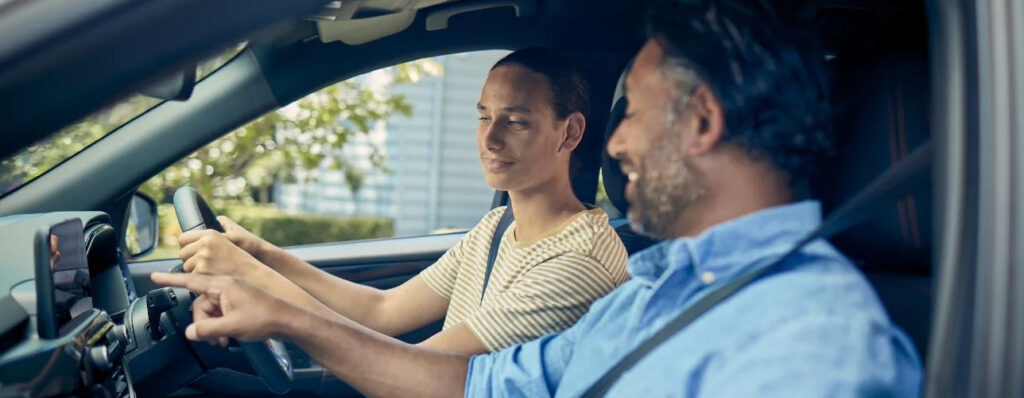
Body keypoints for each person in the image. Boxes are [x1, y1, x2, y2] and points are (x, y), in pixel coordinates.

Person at [152, 0, 923, 396]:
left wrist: (278, 304)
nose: (616, 147)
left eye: (634, 116)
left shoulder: (813, 340)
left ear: (702, 120)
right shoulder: (658, 294)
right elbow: (472, 384)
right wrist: (274, 294)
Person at [173, 48, 630, 355]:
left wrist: (248, 277)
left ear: (569, 132)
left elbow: (406, 367)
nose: (488, 138)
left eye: (515, 122)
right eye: (483, 117)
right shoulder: (496, 230)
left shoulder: (577, 263)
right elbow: (382, 312)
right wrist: (261, 255)